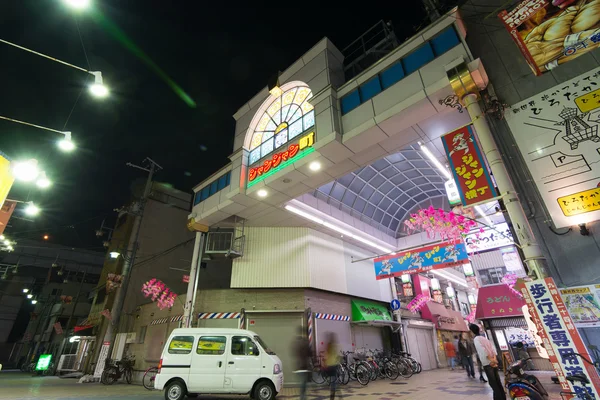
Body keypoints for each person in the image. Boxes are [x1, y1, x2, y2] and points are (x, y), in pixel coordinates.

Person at [470, 323, 504, 400]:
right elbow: (493, 349)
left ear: (472, 331)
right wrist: (494, 359)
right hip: (493, 361)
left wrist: (490, 360)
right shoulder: (484, 338)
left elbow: (483, 351)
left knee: (493, 383)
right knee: (498, 383)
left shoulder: (476, 339)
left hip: (488, 363)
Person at [293, 327, 311, 400]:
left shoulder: (295, 342)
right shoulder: (305, 342)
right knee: (303, 383)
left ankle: (302, 396)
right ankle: (302, 397)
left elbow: (293, 353)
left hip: (298, 367)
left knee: (303, 383)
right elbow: (310, 353)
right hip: (304, 367)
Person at [324, 332, 340, 400]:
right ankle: (333, 395)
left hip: (329, 365)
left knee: (332, 380)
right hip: (334, 365)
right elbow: (337, 355)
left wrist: (325, 363)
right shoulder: (334, 345)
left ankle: (333, 394)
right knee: (334, 381)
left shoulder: (328, 345)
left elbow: (326, 355)